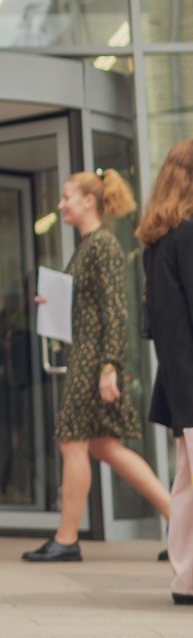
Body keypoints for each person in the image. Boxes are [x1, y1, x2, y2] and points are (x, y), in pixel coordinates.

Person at [23, 168, 169, 563]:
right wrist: (54, 304)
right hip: (87, 355)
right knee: (104, 446)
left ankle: (67, 538)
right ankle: (182, 521)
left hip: (92, 359)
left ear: (90, 200)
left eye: (67, 196)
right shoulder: (91, 245)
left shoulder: (101, 244)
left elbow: (115, 309)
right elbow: (92, 305)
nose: (60, 204)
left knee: (73, 442)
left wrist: (109, 365)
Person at [136, 139, 193, 606]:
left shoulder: (155, 242)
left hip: (178, 382)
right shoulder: (189, 235)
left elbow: (151, 324)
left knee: (186, 485)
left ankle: (186, 579)